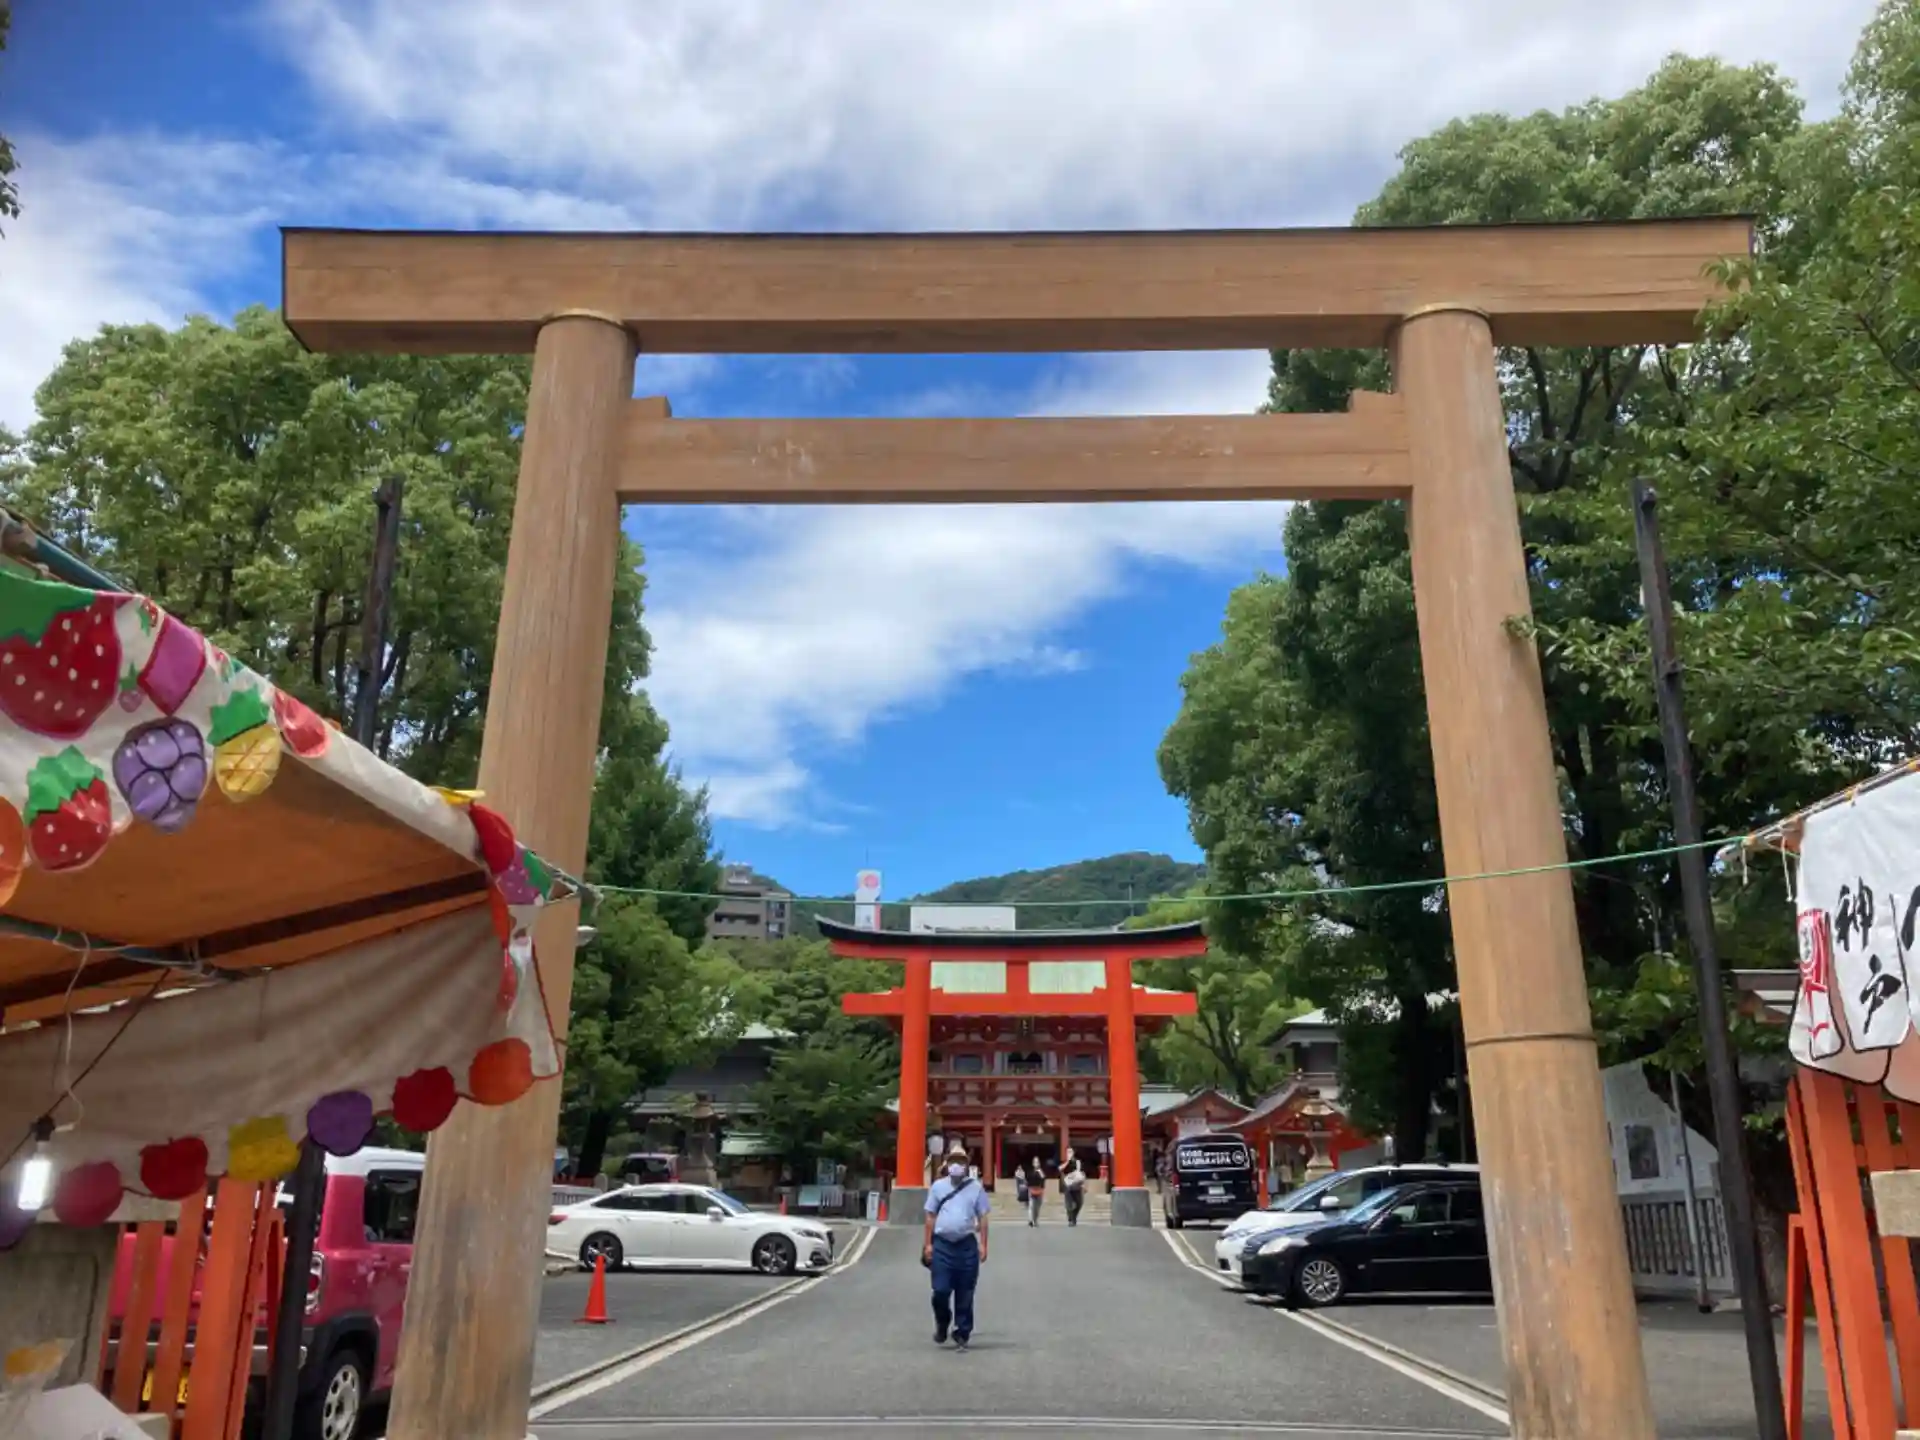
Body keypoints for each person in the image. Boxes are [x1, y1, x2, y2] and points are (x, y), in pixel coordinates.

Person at [923, 1141, 991, 1350]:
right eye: (953, 1161)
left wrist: (983, 1244)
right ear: (947, 1163)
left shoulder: (976, 1188)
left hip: (966, 1245)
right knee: (940, 1290)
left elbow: (983, 1217)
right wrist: (928, 1244)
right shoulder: (938, 1187)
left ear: (967, 1165)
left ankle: (962, 1331)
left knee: (965, 1291)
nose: (957, 1165)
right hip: (942, 1245)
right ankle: (943, 1321)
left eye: (961, 1162)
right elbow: (930, 1216)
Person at [1061, 1151, 1086, 1226]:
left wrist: (1083, 1184)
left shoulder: (1078, 1162)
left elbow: (1082, 1173)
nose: (1070, 1154)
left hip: (1077, 1186)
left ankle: (1073, 1217)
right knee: (1069, 1204)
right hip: (1068, 1186)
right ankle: (1071, 1220)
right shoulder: (1065, 1163)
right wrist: (1067, 1162)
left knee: (1079, 1203)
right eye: (1068, 1152)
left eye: (1071, 1152)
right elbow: (1060, 1169)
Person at [1023, 1157, 1046, 1226]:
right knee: (1031, 1206)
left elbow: (1043, 1178)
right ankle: (1031, 1220)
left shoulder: (1041, 1171)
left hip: (1039, 1191)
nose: (1036, 1163)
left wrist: (1039, 1171)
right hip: (1031, 1191)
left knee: (1037, 1207)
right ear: (1033, 1163)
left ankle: (1035, 1220)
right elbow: (1027, 1179)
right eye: (1035, 1162)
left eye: (1037, 1162)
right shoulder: (1030, 1171)